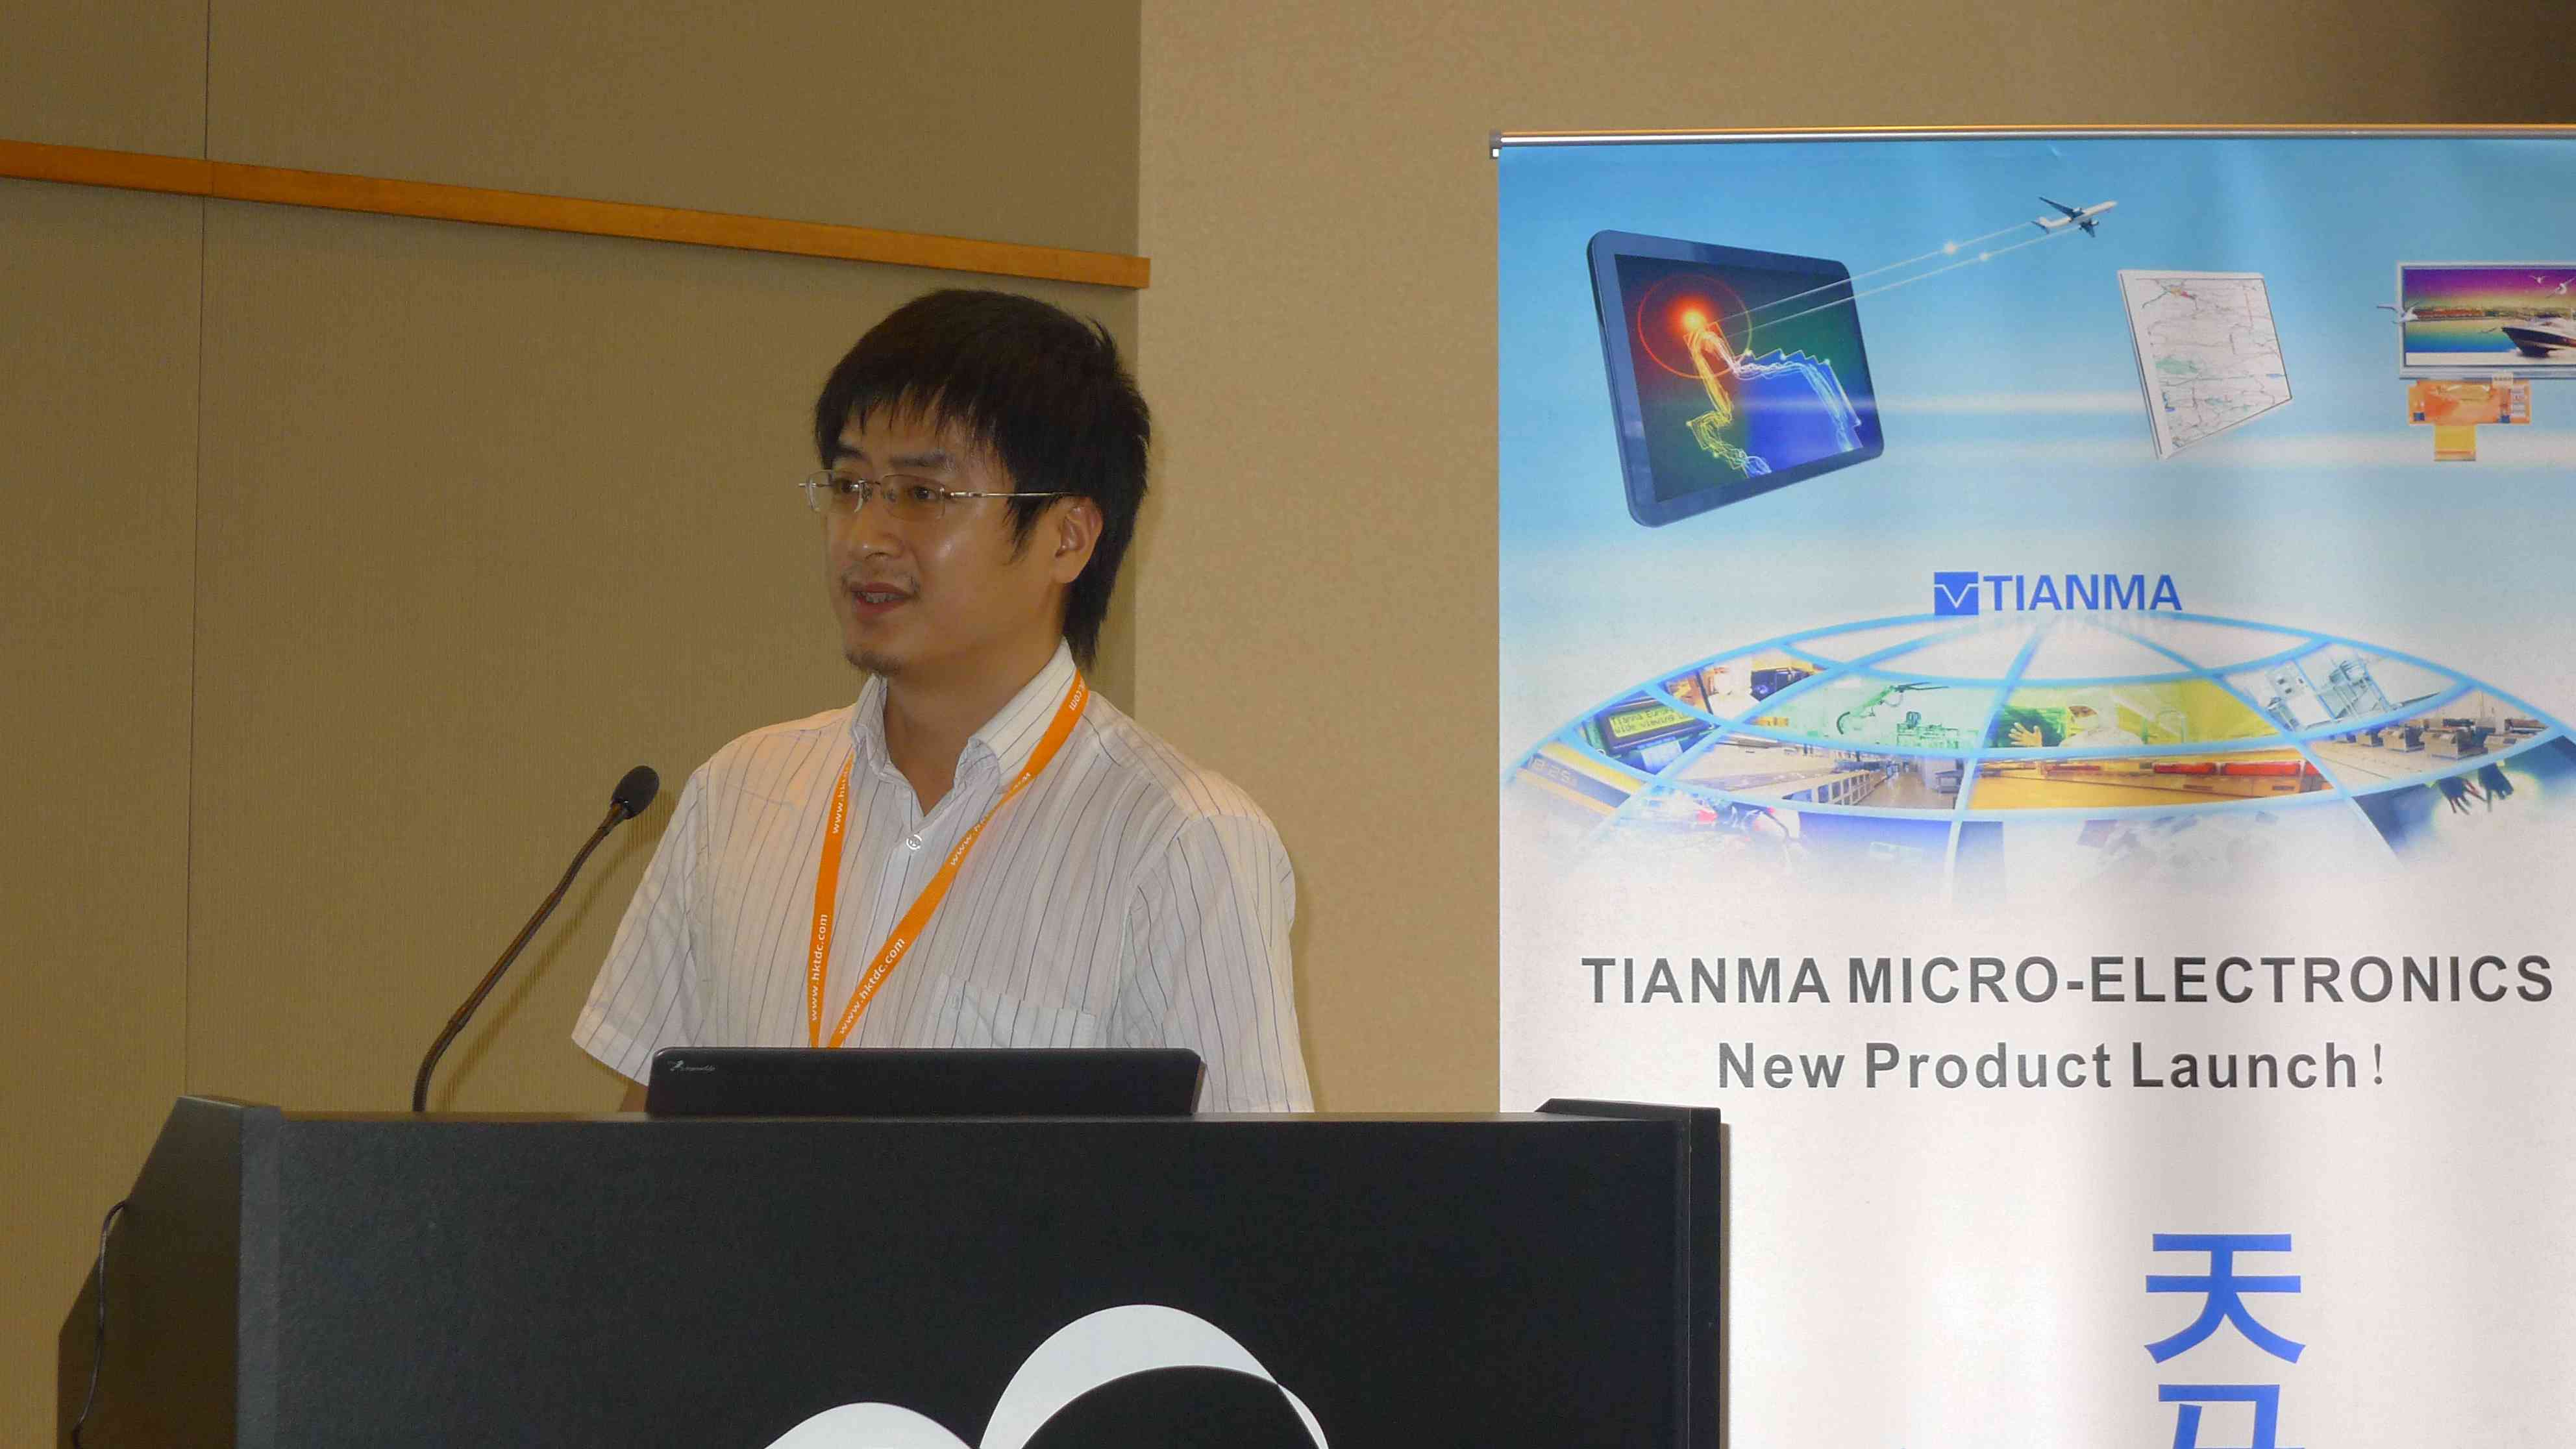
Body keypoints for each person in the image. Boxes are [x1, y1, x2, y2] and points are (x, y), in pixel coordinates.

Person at [574, 289, 1312, 1111]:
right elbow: (645, 1143)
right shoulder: (738, 794)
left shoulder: (1183, 845)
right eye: (849, 486)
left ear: (1067, 537)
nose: (865, 538)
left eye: (924, 496)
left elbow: (1248, 1187)